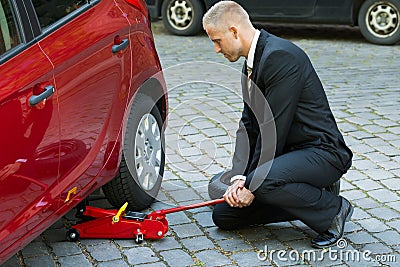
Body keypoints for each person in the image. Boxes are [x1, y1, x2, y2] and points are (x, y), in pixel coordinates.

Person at [202, 1, 354, 248]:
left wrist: (253, 184)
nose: (216, 49)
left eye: (217, 41)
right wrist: (240, 178)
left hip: (322, 153)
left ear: (234, 31)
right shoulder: (251, 63)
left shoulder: (280, 57)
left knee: (264, 182)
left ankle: (333, 210)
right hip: (286, 158)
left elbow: (273, 129)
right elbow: (248, 125)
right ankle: (312, 199)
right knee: (224, 216)